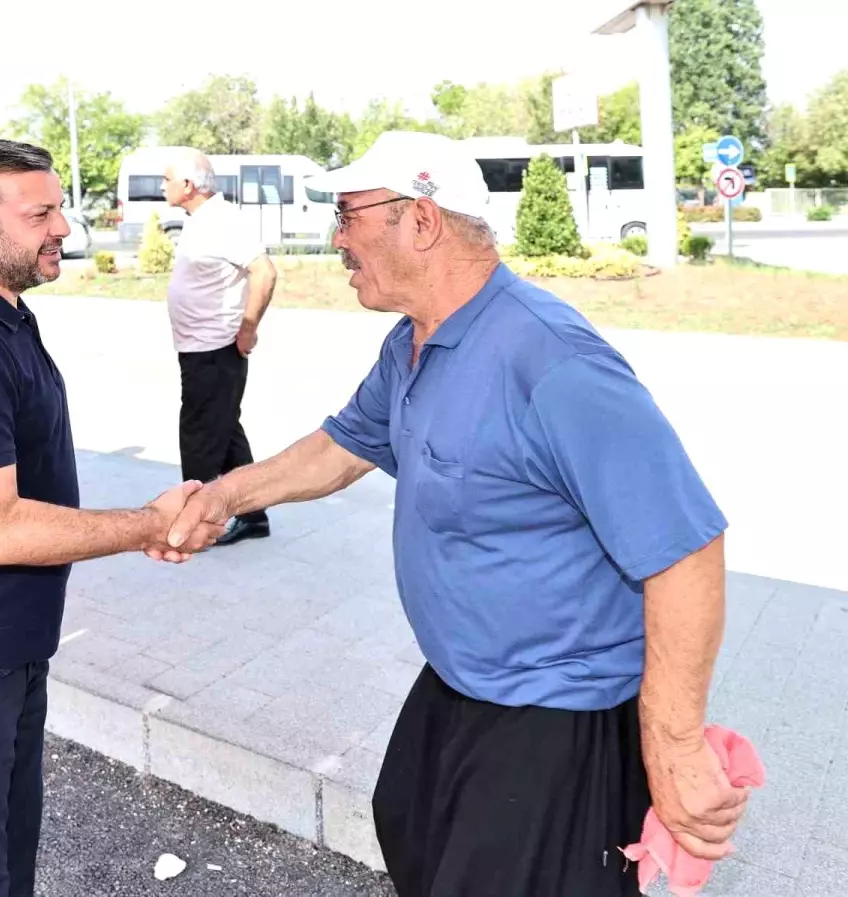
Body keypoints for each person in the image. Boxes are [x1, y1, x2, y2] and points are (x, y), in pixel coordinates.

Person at [160, 131, 751, 897]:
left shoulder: (554, 361)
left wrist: (672, 747)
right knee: (405, 819)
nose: (337, 239)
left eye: (348, 216)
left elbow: (685, 550)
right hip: (463, 684)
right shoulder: (414, 342)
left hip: (555, 714)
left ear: (422, 220)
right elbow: (343, 445)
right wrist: (224, 495)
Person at [0, 138, 221, 897]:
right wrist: (148, 524)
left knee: (2, 869)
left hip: (5, 648)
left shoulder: (2, 311)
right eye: (41, 213)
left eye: (59, 207)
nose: (63, 226)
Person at [162, 148, 277, 546]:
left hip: (215, 349)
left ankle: (193, 524)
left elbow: (264, 270)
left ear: (188, 185)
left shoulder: (223, 220)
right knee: (223, 431)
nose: (162, 186)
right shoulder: (200, 219)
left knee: (201, 436)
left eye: (167, 179)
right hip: (199, 348)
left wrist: (248, 327)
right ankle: (253, 515)